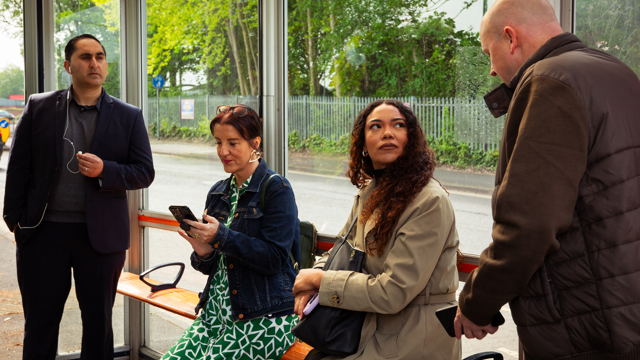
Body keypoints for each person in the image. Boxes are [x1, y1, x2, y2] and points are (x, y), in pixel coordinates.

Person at [454, 0, 640, 358]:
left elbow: (529, 225)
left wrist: (476, 304)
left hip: (588, 321)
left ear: (510, 38)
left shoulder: (548, 82)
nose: (491, 70)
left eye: (487, 52)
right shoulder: (617, 72)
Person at [3, 34, 155, 359]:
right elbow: (18, 168)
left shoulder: (129, 115)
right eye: (86, 57)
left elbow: (144, 172)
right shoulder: (39, 106)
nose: (95, 63)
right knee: (41, 325)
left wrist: (106, 170)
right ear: (68, 65)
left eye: (100, 56)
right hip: (43, 234)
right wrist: (15, 222)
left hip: (100, 240)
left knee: (98, 326)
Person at [293, 99, 461, 360]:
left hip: (412, 338)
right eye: (375, 126)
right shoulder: (371, 192)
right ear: (363, 145)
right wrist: (312, 281)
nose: (387, 133)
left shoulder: (429, 201)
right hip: (370, 327)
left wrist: (320, 281)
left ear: (411, 139)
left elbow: (392, 292)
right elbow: (340, 249)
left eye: (398, 125)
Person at [161, 104, 300, 360]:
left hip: (263, 318)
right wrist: (204, 254)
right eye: (218, 142)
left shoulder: (276, 188)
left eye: (233, 143)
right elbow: (212, 267)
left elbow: (274, 259)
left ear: (254, 143)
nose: (223, 152)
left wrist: (220, 237)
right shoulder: (218, 192)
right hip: (214, 317)